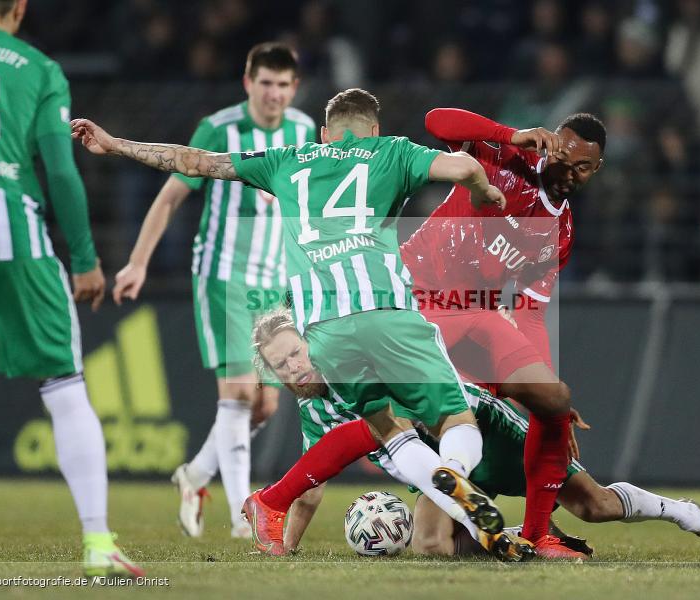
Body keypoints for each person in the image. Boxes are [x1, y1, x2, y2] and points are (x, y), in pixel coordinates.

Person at [71, 88, 513, 556]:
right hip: (386, 312)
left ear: (324, 134)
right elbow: (465, 167)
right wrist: (486, 191)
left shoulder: (286, 159)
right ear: (374, 130)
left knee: (388, 428)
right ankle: (457, 477)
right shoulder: (394, 151)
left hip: (323, 331)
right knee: (455, 420)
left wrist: (116, 143)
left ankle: (465, 505)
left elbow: (195, 162)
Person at [252, 308, 700, 560]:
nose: (293, 367)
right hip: (434, 463)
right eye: (280, 365)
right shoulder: (314, 411)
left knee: (594, 506)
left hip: (478, 425)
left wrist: (543, 403)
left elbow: (471, 333)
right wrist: (284, 549)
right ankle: (520, 536)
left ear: (311, 341)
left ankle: (691, 515)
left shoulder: (357, 351)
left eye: (295, 353)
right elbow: (313, 488)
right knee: (432, 545)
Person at [0, 0, 141, 577]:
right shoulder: (38, 68)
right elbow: (60, 169)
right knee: (64, 384)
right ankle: (98, 544)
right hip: (16, 241)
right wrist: (84, 258)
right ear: (20, 8)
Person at [112, 42, 315, 540]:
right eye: (265, 83)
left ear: (294, 88)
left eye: (283, 85)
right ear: (248, 83)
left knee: (265, 406)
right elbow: (171, 196)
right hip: (224, 274)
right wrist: (137, 262)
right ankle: (243, 518)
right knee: (241, 394)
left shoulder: (306, 131)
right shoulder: (218, 128)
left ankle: (195, 476)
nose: (274, 94)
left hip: (274, 284)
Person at [398, 107, 604, 559]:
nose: (570, 173)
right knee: (410, 414)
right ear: (551, 146)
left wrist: (541, 385)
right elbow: (435, 120)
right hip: (414, 298)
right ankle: (279, 502)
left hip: (472, 318)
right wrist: (512, 133)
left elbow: (529, 315)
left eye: (583, 168)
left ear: (596, 169)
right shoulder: (506, 159)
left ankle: (535, 534)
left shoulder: (560, 231)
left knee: (554, 401)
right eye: (564, 160)